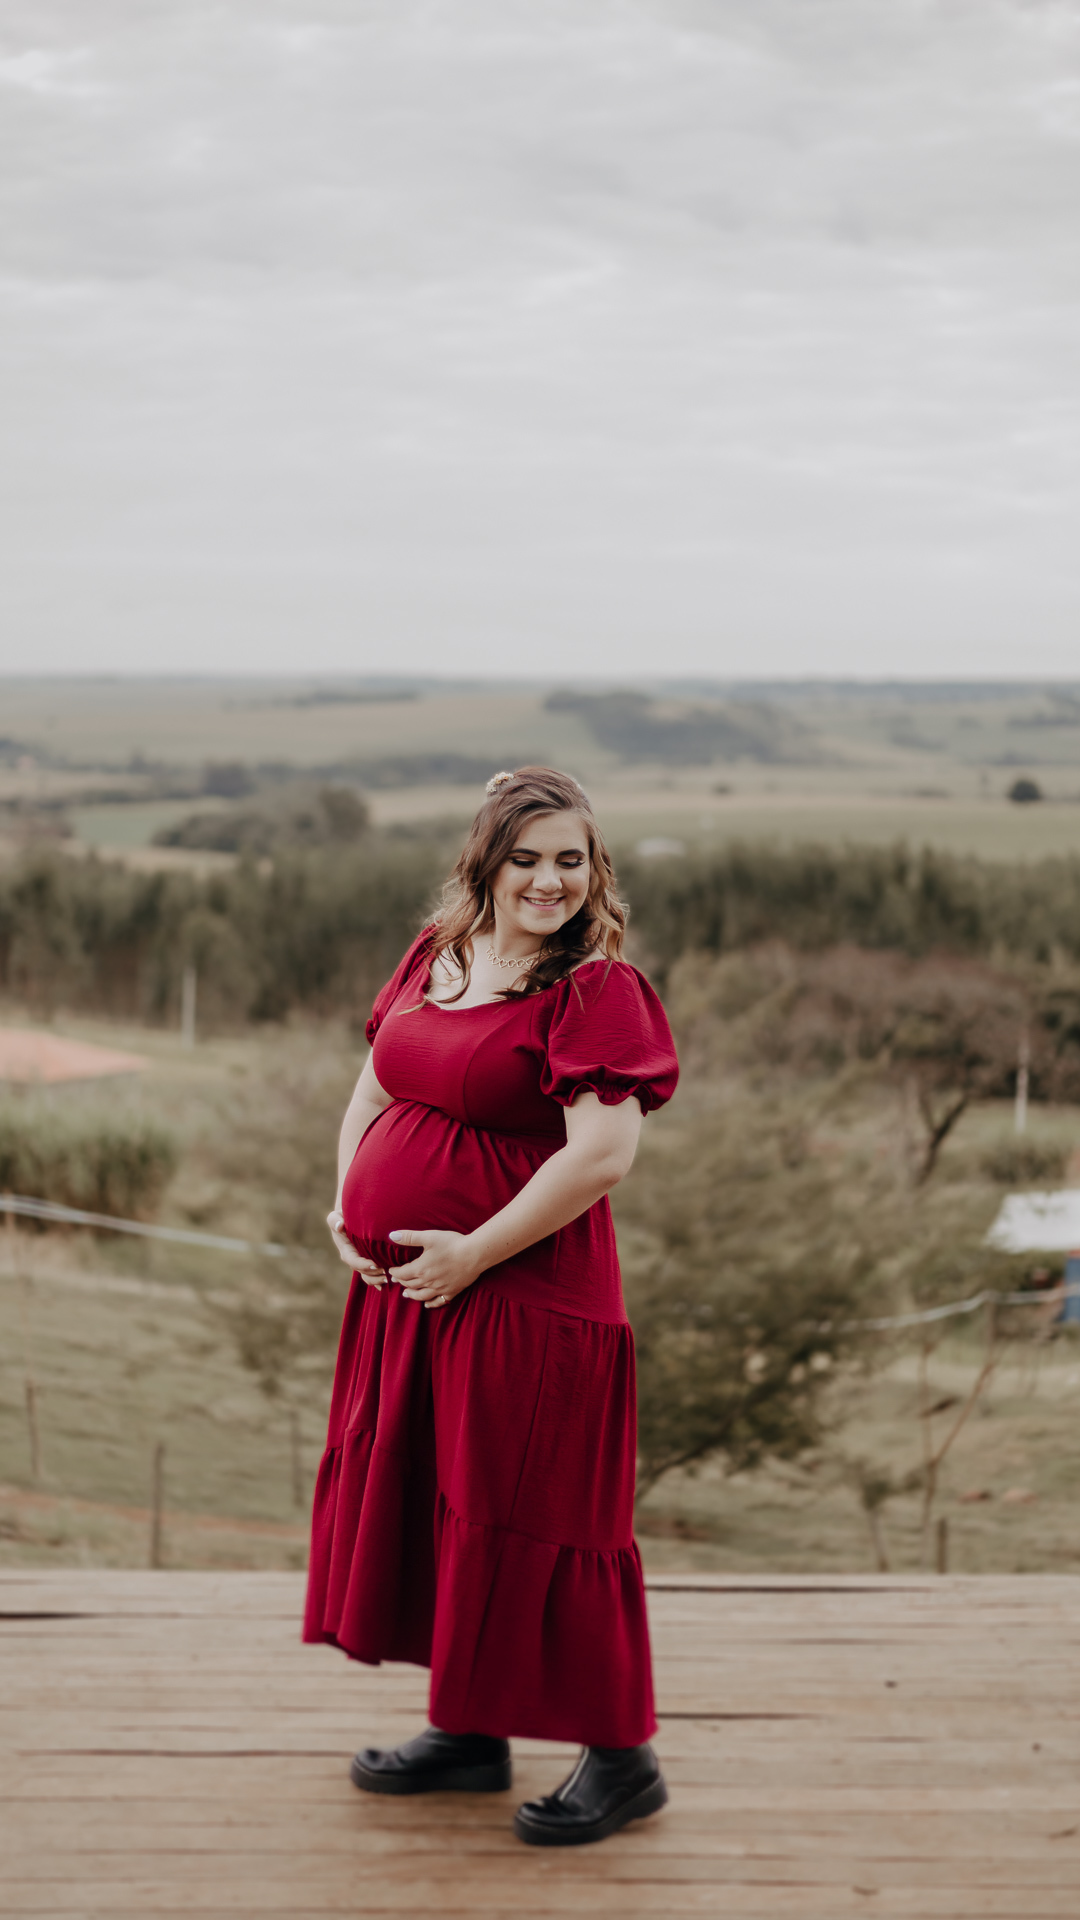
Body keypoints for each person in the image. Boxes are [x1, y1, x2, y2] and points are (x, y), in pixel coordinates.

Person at [303, 766, 679, 1847]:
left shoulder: (593, 991)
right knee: (444, 1499)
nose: (550, 881)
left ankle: (623, 1757)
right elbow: (375, 1089)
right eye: (528, 859)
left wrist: (472, 1253)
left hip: (525, 1295)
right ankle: (469, 1727)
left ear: (593, 870)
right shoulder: (438, 958)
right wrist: (345, 1201)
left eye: (571, 860)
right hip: (417, 1294)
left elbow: (603, 1157)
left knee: (545, 1515)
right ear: (486, 862)